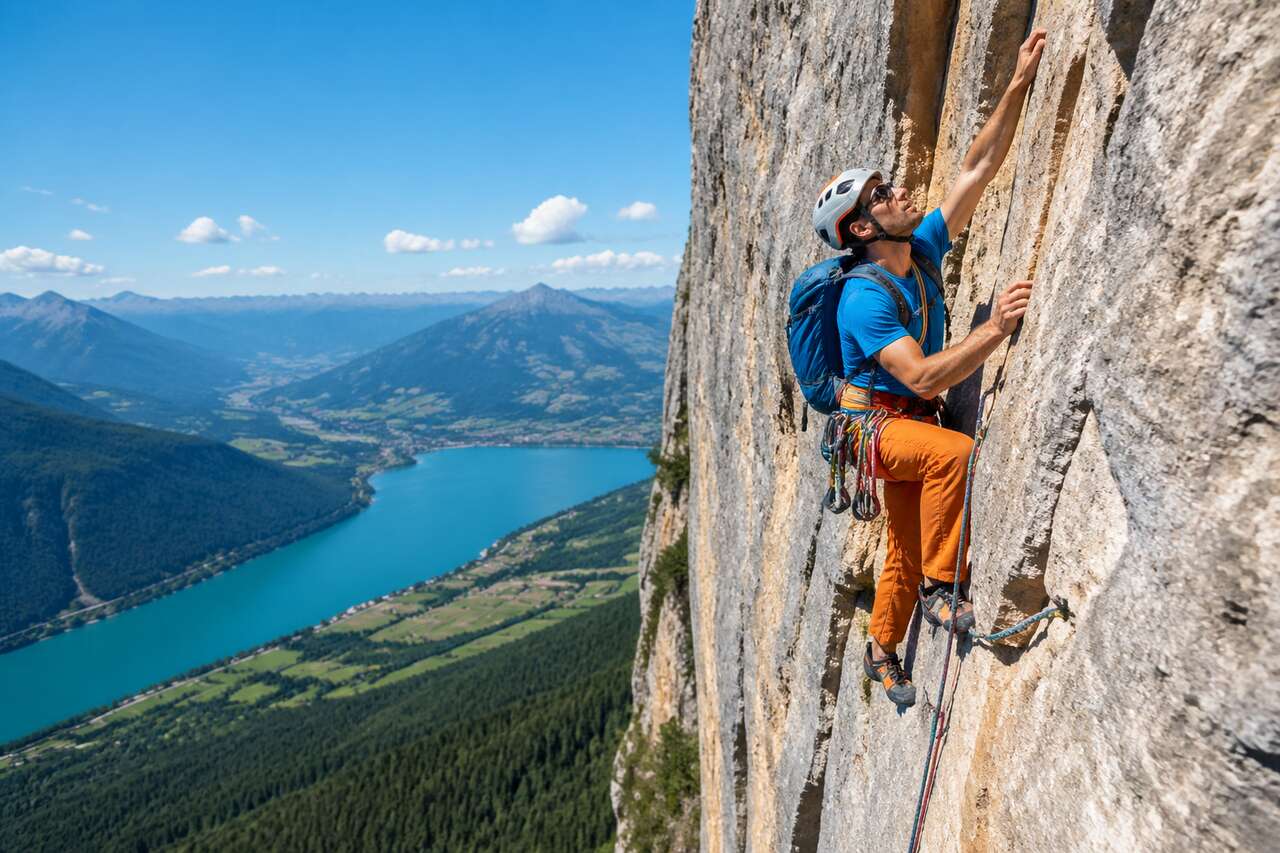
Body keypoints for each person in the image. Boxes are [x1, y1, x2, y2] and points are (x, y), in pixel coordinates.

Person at [810, 29, 1047, 706]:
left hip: (901, 422)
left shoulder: (917, 252)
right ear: (860, 228)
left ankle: (881, 649)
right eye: (883, 194)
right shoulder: (862, 297)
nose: (902, 190)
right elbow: (918, 378)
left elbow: (975, 169)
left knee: (905, 549)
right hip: (874, 431)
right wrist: (995, 331)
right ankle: (945, 592)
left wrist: (1018, 85)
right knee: (951, 457)